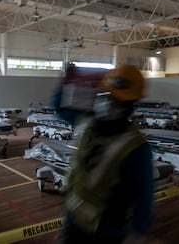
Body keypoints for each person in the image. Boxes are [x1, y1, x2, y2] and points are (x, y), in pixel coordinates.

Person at [56, 64, 154, 244]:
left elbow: (144, 196)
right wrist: (67, 83)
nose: (108, 103)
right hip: (73, 223)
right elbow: (61, 109)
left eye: (116, 101)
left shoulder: (136, 147)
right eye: (105, 96)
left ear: (129, 106)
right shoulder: (89, 124)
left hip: (106, 233)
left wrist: (136, 234)